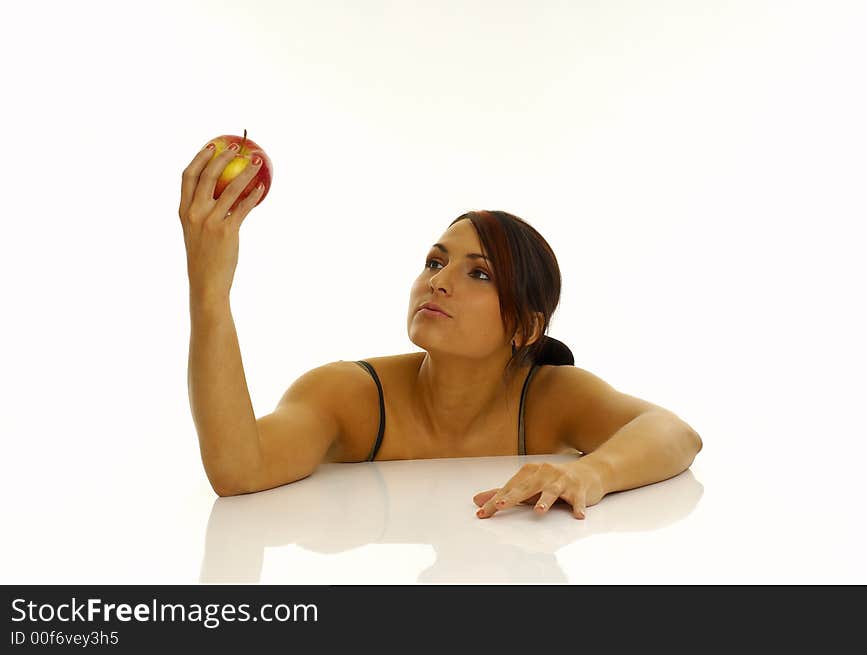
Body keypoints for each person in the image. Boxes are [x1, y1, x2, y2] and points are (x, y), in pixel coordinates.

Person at [180, 142, 703, 520]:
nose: (439, 282)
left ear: (524, 326)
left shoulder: (549, 395)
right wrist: (210, 291)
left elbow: (676, 434)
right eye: (435, 262)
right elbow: (239, 471)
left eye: (478, 273)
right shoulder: (346, 394)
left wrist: (591, 474)